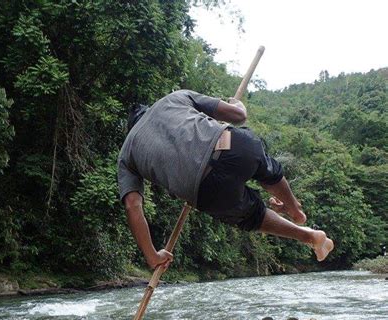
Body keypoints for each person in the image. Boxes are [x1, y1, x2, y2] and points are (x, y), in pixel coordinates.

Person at [117, 89, 334, 271]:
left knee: (253, 216)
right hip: (229, 145)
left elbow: (133, 206)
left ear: (132, 127)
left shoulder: (127, 153)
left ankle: (309, 237)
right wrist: (237, 104)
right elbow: (238, 116)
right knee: (266, 167)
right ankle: (294, 209)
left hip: (205, 189)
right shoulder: (174, 98)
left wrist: (152, 256)